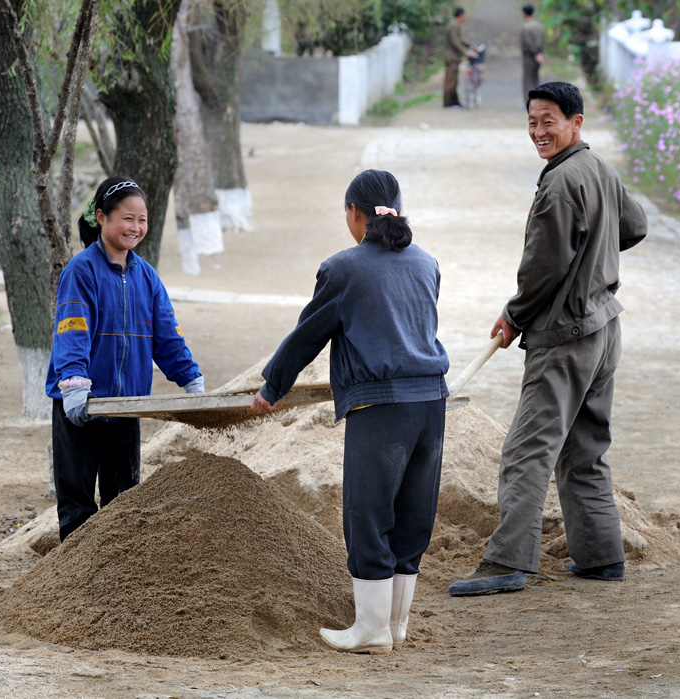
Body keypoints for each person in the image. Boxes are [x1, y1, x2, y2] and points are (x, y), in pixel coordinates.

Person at [448, 82, 647, 597]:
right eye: (532, 121)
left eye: (549, 121)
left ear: (576, 123)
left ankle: (508, 562)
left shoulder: (560, 183)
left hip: (565, 336)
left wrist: (515, 315)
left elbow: (542, 268)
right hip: (605, 330)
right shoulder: (599, 168)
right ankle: (602, 557)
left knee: (526, 450)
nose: (539, 131)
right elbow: (635, 225)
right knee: (584, 449)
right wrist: (596, 248)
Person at [251, 170, 449, 653]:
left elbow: (308, 334)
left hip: (381, 407)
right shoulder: (427, 263)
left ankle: (371, 630)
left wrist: (272, 386)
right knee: (411, 515)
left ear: (354, 214)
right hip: (431, 402)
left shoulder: (343, 268)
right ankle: (395, 627)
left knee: (368, 514)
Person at [46, 175, 204, 542]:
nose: (135, 227)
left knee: (124, 503)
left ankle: (117, 587)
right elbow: (72, 332)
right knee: (78, 507)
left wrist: (191, 380)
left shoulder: (147, 277)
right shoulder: (81, 271)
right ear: (101, 217)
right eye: (126, 218)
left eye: (142, 219)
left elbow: (167, 336)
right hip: (82, 406)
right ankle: (75, 584)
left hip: (125, 407)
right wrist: (72, 385)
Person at [443, 7, 476, 108]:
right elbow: (455, 42)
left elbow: (460, 40)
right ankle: (448, 102)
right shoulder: (453, 25)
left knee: (454, 81)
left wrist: (471, 45)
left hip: (454, 57)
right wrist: (466, 52)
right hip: (451, 57)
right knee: (450, 81)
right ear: (461, 15)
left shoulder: (455, 25)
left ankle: (454, 102)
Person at [520, 4, 545, 102]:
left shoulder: (526, 27)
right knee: (536, 79)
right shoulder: (539, 25)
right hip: (539, 56)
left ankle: (529, 102)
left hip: (529, 57)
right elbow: (543, 41)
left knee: (528, 80)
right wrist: (540, 54)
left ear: (524, 13)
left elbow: (528, 43)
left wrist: (535, 54)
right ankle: (538, 101)